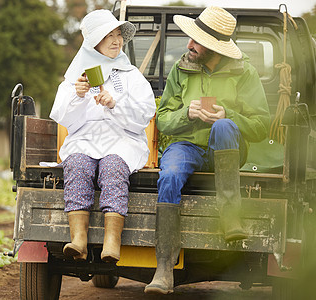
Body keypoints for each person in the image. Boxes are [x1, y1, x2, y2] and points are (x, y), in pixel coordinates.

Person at [144, 6, 271, 295]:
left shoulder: (244, 72)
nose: (189, 44)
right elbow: (162, 119)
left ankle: (230, 217)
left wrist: (229, 116)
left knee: (223, 127)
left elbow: (262, 126)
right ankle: (164, 266)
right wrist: (186, 115)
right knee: (170, 173)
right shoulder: (181, 68)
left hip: (225, 148)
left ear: (215, 48)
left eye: (196, 41)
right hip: (186, 146)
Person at [50, 9, 156, 263]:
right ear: (93, 41)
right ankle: (79, 240)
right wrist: (77, 96)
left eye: (118, 34)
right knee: (75, 164)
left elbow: (145, 114)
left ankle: (112, 241)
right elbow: (63, 117)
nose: (116, 40)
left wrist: (114, 103)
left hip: (122, 141)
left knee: (112, 167)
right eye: (109, 35)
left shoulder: (131, 76)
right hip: (85, 140)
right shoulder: (76, 77)